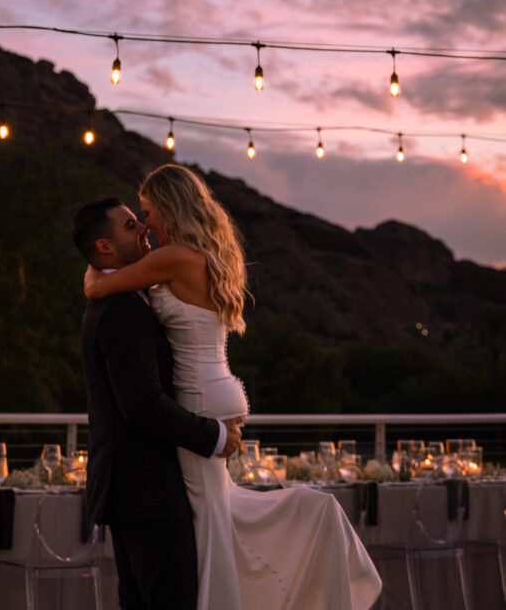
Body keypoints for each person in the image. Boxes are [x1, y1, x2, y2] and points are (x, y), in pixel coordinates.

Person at [84, 165, 383, 610]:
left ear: (170, 207)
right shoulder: (205, 255)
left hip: (200, 393)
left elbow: (98, 287)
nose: (146, 226)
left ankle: (220, 595)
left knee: (210, 523)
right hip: (217, 385)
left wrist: (95, 259)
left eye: (147, 213)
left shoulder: (172, 258)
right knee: (216, 516)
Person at [73, 195, 242, 610]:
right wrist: (215, 435)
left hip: (133, 488)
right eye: (131, 225)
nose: (143, 229)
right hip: (146, 488)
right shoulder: (122, 311)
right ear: (106, 247)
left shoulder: (118, 297)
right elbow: (143, 405)